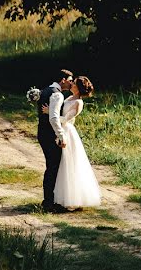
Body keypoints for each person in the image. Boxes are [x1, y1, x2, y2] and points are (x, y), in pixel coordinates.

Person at [52, 75, 101, 210]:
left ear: (78, 88)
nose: (71, 84)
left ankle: (73, 199)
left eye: (73, 83)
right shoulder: (68, 97)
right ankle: (62, 197)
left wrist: (50, 114)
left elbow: (66, 119)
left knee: (70, 163)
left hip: (68, 131)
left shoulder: (78, 103)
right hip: (63, 129)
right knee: (62, 163)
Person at [37, 69, 73, 213]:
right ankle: (49, 203)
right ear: (63, 80)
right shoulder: (57, 94)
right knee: (53, 168)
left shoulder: (45, 91)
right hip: (50, 135)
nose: (71, 83)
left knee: (51, 167)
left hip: (42, 133)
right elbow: (53, 118)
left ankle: (49, 200)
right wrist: (61, 135)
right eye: (70, 80)